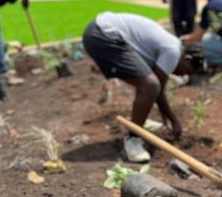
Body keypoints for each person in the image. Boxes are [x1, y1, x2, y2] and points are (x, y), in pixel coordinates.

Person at [82, 12, 204, 162]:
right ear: (187, 58)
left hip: (100, 30)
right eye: (187, 71)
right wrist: (173, 120)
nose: (180, 74)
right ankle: (133, 139)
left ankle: (137, 127)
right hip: (103, 35)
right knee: (149, 85)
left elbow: (158, 90)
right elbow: (155, 88)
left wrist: (167, 117)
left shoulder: (172, 45)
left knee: (149, 84)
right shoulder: (173, 52)